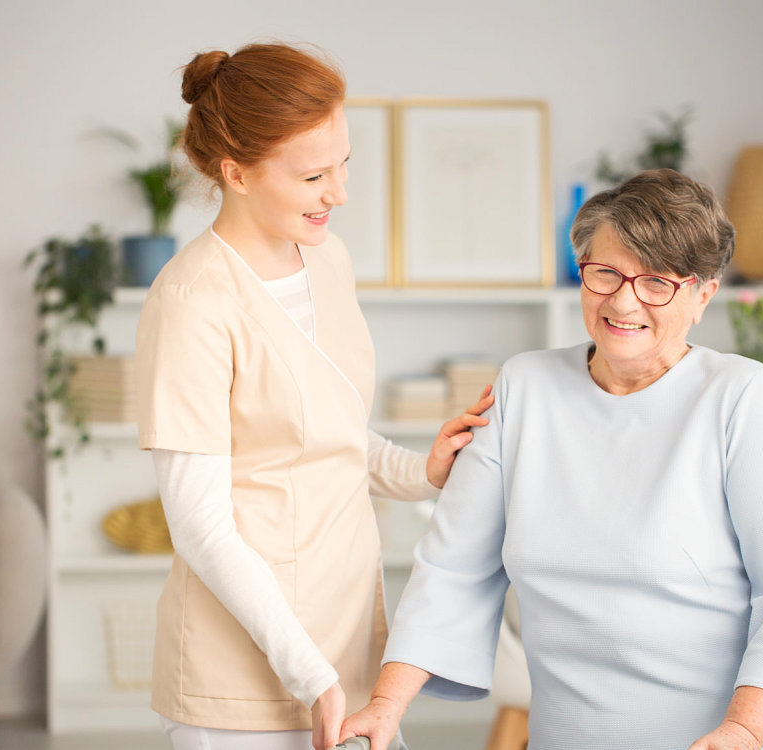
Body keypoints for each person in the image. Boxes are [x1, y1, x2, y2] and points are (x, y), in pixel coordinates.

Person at [341, 169, 763, 749]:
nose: (623, 300)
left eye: (657, 282)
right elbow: (454, 568)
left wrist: (742, 731)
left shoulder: (740, 395)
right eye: (605, 272)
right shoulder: (524, 388)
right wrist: (385, 705)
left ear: (702, 294)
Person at [135, 43, 491, 750]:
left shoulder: (328, 260)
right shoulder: (190, 300)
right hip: (243, 674)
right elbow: (201, 528)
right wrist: (310, 674)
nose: (340, 193)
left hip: (346, 639)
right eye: (313, 175)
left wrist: (422, 471)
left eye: (345, 163)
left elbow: (333, 432)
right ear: (235, 173)